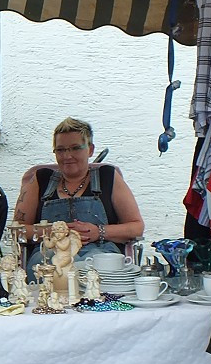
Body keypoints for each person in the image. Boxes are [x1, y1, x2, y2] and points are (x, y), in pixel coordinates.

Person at [13, 117, 144, 278]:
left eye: (75, 148)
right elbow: (17, 230)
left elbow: (136, 227)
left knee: (98, 267)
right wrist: (52, 232)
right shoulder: (39, 180)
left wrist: (99, 232)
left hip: (99, 256)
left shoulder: (108, 177)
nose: (67, 156)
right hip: (50, 256)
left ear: (90, 149)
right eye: (61, 150)